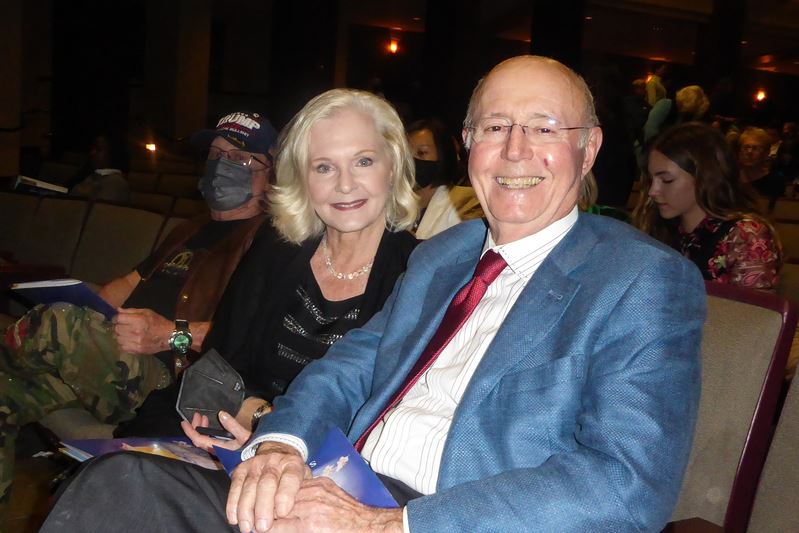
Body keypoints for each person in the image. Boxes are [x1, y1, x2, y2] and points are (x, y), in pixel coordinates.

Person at [42, 56, 705, 533]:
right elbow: (348, 366)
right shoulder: (445, 255)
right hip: (337, 487)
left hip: (440, 517)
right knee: (121, 485)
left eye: (544, 127)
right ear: (468, 144)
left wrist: (393, 524)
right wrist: (282, 445)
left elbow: (626, 485)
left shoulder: (640, 278)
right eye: (494, 127)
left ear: (589, 148)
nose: (514, 150)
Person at [0, 110, 277, 503]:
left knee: (58, 324)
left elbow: (253, 337)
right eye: (216, 155)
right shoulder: (191, 228)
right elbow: (126, 285)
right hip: (114, 357)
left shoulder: (269, 242)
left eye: (239, 158)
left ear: (272, 174)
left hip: (168, 381)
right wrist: (83, 309)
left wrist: (168, 335)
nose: (221, 165)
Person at [113, 89, 419, 439]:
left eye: (363, 161)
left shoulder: (420, 272)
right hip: (226, 429)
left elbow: (390, 415)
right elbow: (219, 363)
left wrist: (267, 423)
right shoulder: (276, 246)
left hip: (325, 455)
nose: (345, 184)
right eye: (323, 167)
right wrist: (237, 418)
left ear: (393, 166)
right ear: (302, 179)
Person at [634, 121, 782, 290]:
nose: (653, 191)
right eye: (651, 180)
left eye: (667, 180)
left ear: (704, 177)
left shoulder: (745, 235)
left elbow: (753, 306)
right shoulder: (660, 227)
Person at [407, 118, 482, 239]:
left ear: (442, 155)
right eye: (406, 154)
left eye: (422, 153)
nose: (411, 161)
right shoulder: (394, 206)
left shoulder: (467, 201)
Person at [68, 132, 131, 203]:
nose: (92, 153)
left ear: (112, 154)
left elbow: (98, 208)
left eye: (98, 149)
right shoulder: (91, 176)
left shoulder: (117, 183)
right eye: (92, 149)